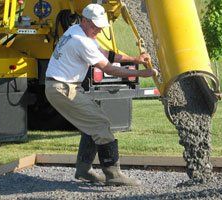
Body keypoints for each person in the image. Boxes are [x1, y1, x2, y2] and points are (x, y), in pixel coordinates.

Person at [45, 3, 157, 186]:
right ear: (84, 21)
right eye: (95, 25)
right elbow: (109, 69)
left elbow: (103, 53)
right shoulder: (80, 41)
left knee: (93, 124)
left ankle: (84, 171)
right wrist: (141, 73)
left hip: (61, 87)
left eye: (100, 26)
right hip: (63, 89)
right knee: (101, 124)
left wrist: (134, 59)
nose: (98, 29)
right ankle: (113, 175)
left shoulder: (76, 31)